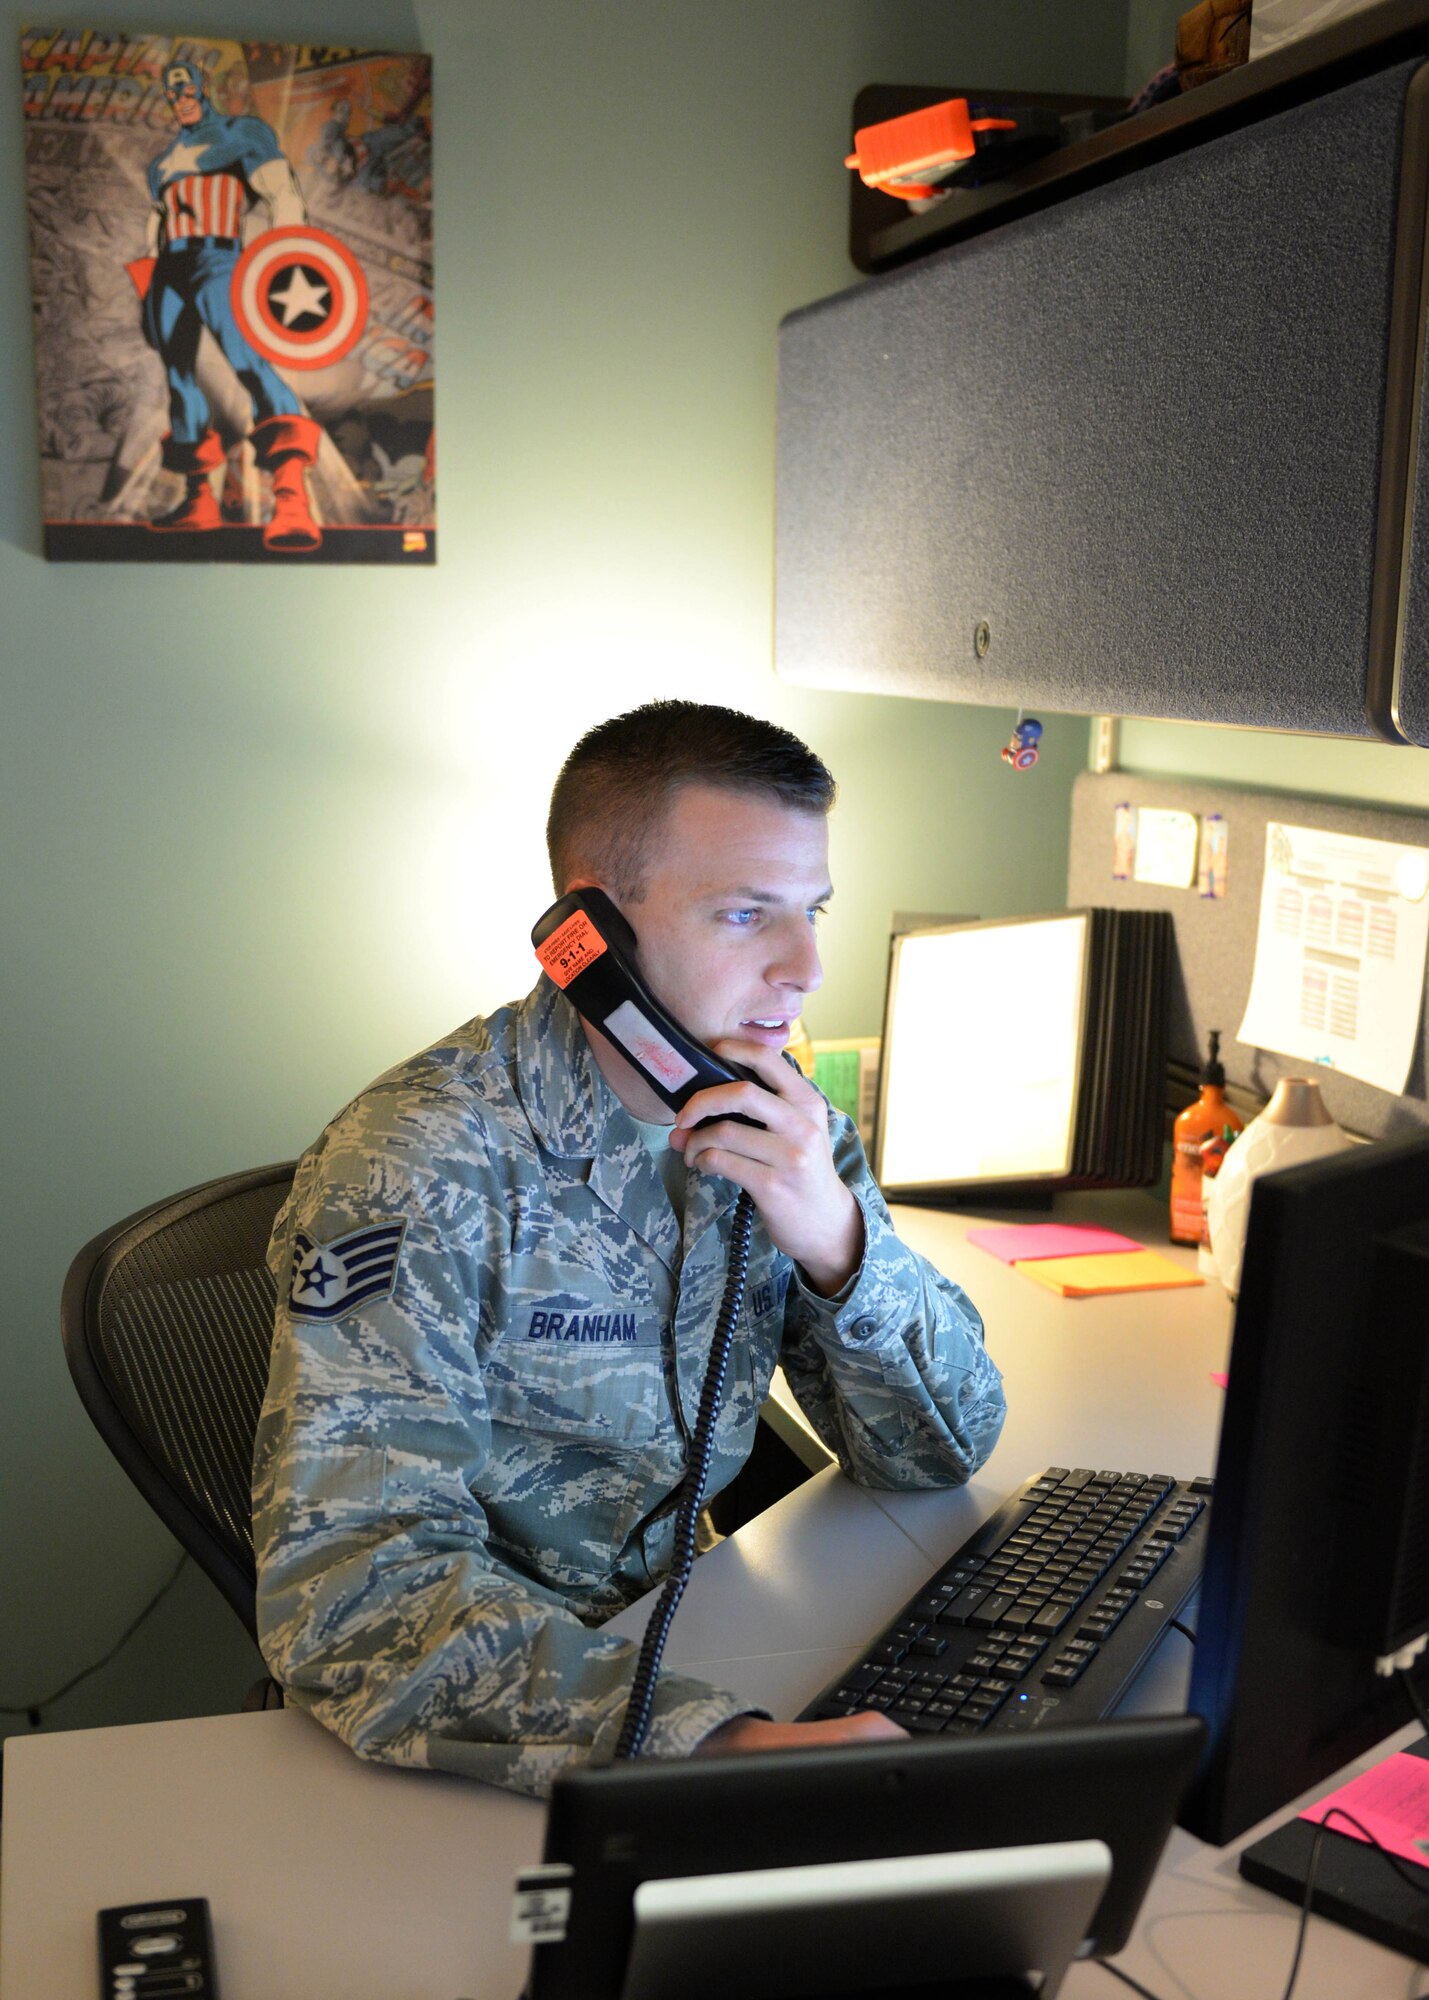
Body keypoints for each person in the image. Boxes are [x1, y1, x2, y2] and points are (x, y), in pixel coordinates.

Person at [253, 701, 1006, 1797]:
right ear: (590, 938)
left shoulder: (776, 1121)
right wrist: (711, 1744)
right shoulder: (420, 1163)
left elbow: (939, 1452)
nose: (805, 966)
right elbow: (351, 1591)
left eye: (813, 910)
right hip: (466, 1745)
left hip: (691, 1629)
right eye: (747, 915)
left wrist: (838, 1241)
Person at [128, 58, 323, 549]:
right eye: (171, 91)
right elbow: (158, 221)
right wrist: (150, 278)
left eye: (185, 86)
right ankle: (199, 500)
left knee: (251, 365)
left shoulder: (242, 134)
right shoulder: (163, 163)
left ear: (201, 86)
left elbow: (282, 192)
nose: (180, 96)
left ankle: (291, 498)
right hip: (171, 269)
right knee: (180, 378)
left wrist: (291, 254)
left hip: (220, 262)